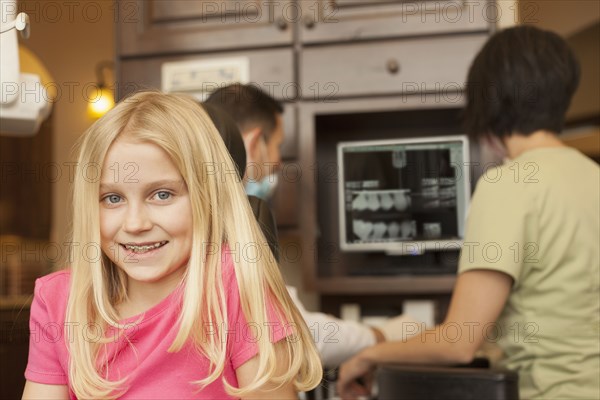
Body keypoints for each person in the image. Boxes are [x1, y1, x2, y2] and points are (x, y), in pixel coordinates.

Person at [337, 25, 600, 399]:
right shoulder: (592, 175)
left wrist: (369, 355)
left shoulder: (508, 184)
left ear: (489, 100)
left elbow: (459, 342)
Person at [22, 92, 322, 399]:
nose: (135, 224)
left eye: (162, 194)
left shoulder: (236, 284)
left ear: (207, 198)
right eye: (113, 198)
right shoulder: (58, 300)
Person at [205, 84, 420, 367]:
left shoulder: (207, 215)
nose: (279, 161)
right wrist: (381, 335)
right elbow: (292, 332)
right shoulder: (225, 229)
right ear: (255, 143)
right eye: (278, 146)